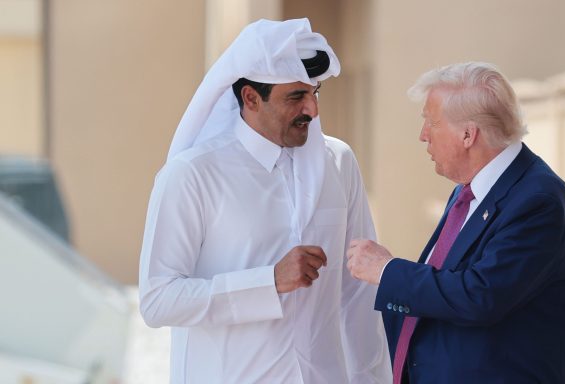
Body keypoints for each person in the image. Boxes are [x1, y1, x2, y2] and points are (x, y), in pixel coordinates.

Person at [138, 19, 391, 383]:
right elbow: (158, 300)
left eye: (314, 93)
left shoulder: (339, 163)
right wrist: (268, 282)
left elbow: (357, 292)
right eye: (295, 97)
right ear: (251, 98)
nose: (312, 110)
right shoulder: (193, 174)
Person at [347, 62, 565, 383]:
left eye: (430, 123)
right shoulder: (470, 190)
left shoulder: (538, 198)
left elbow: (481, 295)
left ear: (467, 134)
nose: (422, 136)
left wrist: (386, 270)